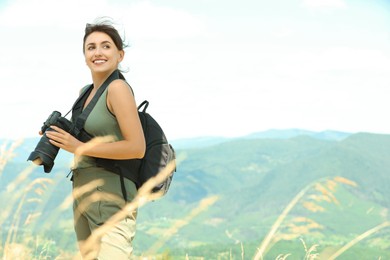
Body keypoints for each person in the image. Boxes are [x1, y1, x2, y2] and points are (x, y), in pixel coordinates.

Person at [44, 17, 145, 259]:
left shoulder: (117, 89)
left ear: (120, 55)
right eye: (91, 47)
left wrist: (79, 147)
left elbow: (136, 147)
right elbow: (91, 136)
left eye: (106, 46)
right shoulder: (85, 93)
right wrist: (55, 135)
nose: (98, 52)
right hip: (82, 191)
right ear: (85, 56)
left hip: (110, 196)